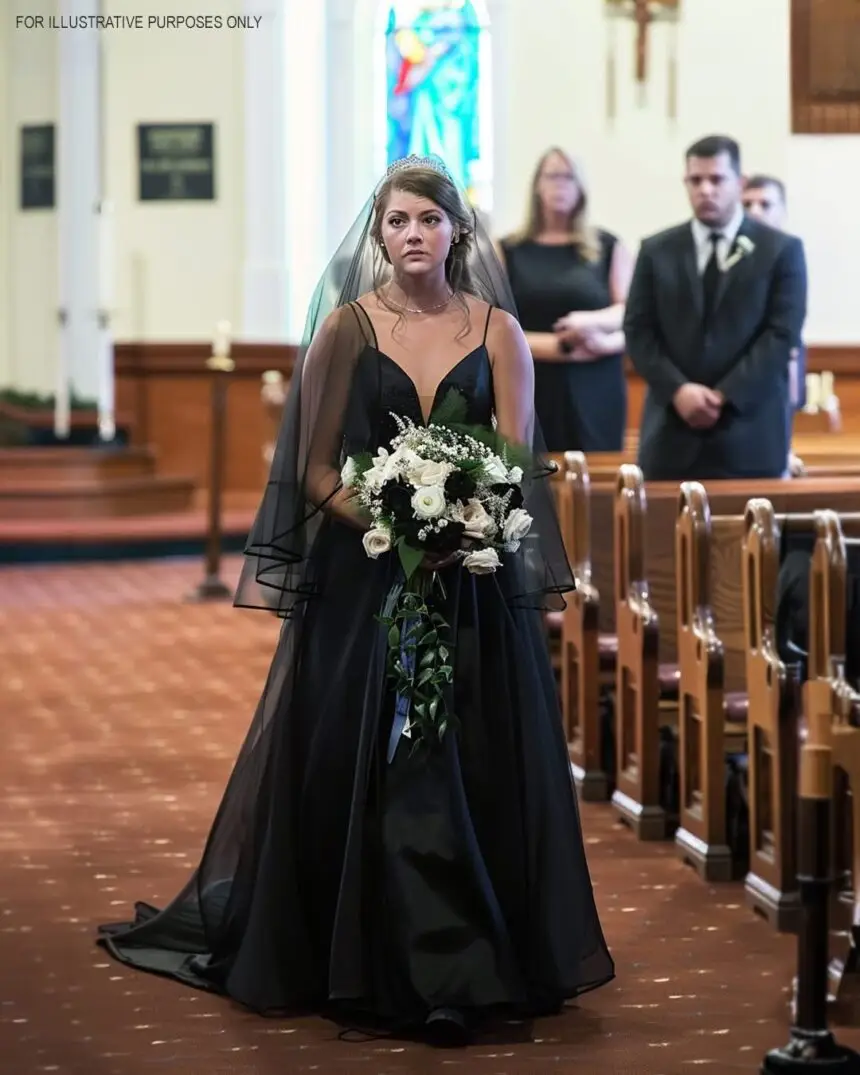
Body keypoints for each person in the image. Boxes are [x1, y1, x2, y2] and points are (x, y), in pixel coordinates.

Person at [97, 155, 614, 1047]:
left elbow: (518, 462)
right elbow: (312, 469)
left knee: (462, 759)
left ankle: (464, 963)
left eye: (428, 219)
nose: (413, 235)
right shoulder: (346, 328)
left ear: (458, 231)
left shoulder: (499, 331)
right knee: (376, 758)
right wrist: (394, 521)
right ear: (378, 234)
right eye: (396, 221)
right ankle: (378, 958)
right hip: (366, 581)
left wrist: (462, 522)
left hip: (471, 585)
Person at [624, 135, 808, 480]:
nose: (705, 190)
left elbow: (782, 333)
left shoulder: (781, 250)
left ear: (739, 183)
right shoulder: (656, 250)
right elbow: (638, 330)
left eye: (716, 179)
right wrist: (679, 390)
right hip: (671, 435)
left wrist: (725, 395)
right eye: (696, 180)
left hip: (751, 435)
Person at [498, 147, 632, 452]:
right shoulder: (508, 250)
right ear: (537, 185)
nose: (560, 185)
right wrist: (560, 347)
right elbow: (494, 326)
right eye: (552, 176)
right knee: (533, 472)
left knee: (595, 471)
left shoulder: (608, 246)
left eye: (569, 177)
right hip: (531, 381)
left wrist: (589, 324)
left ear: (581, 188)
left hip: (596, 382)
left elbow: (629, 312)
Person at [741, 173, 807, 415]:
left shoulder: (790, 257)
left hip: (778, 365)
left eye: (765, 204)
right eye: (747, 204)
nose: (755, 212)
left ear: (782, 211)